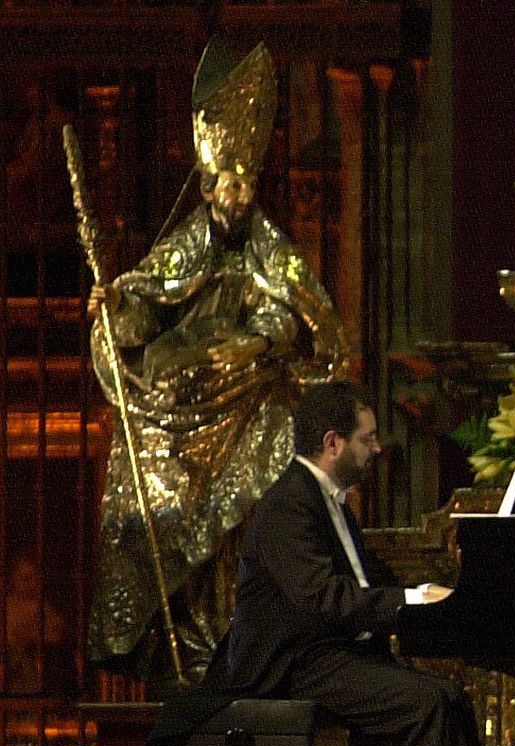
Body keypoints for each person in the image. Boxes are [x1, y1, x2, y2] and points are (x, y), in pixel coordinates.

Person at [148, 382, 514, 746]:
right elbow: (322, 596)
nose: (377, 448)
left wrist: (429, 592)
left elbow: (367, 581)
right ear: (332, 442)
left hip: (329, 654)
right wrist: (410, 601)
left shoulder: (329, 501)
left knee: (449, 697)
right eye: (368, 438)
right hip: (292, 664)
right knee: (426, 704)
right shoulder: (287, 506)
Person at [86, 40, 348, 692]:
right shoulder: (182, 249)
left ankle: (240, 657)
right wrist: (115, 303)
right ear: (206, 187)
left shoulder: (273, 254)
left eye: (248, 181)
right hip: (178, 421)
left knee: (248, 528)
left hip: (253, 410)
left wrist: (260, 345)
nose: (240, 193)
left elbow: (316, 326)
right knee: (168, 524)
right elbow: (144, 309)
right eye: (229, 181)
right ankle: (182, 662)